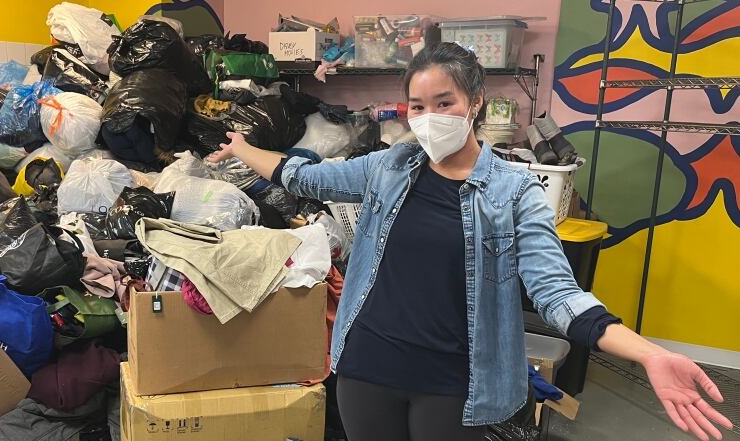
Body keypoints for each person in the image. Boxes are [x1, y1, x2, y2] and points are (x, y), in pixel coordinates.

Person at [207, 43, 732, 441]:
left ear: (475, 103)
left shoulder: (516, 190)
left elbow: (558, 295)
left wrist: (647, 354)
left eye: (444, 101)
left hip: (454, 383)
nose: (428, 117)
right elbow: (306, 179)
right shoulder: (392, 166)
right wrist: (242, 147)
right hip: (367, 367)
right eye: (417, 105)